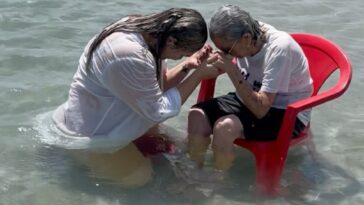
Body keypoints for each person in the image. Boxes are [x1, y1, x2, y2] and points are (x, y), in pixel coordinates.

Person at [52, 8, 221, 187]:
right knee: (139, 178)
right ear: (172, 41)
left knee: (177, 148)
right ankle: (83, 170)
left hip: (113, 113)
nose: (178, 58)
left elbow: (156, 85)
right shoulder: (129, 55)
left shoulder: (148, 32)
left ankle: (131, 149)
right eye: (181, 54)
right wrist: (198, 76)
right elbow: (158, 111)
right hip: (92, 133)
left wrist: (187, 66)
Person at [187, 5, 313, 173]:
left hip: (284, 111)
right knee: (196, 115)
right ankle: (195, 171)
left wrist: (232, 69)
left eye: (226, 50)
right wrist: (207, 62)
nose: (224, 54)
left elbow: (261, 109)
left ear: (246, 38)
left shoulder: (279, 49)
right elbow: (230, 66)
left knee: (224, 128)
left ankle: (218, 181)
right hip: (249, 98)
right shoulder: (246, 35)